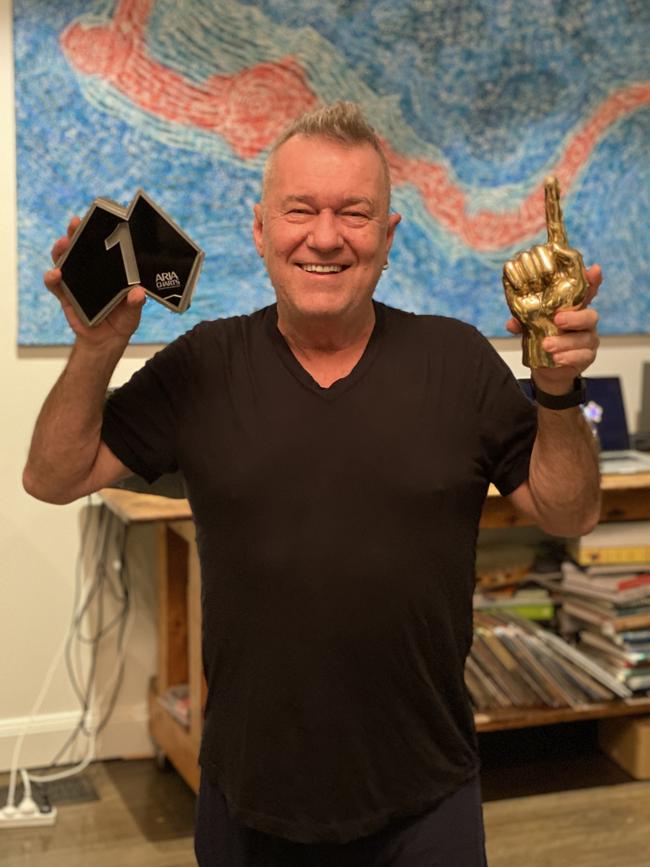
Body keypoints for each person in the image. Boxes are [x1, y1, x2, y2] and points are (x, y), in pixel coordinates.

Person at [24, 101, 601, 866]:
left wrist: (555, 390)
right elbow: (54, 476)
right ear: (262, 230)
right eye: (301, 210)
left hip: (427, 799)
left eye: (354, 213)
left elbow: (569, 512)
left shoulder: (456, 362)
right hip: (248, 802)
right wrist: (97, 348)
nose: (325, 236)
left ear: (388, 238)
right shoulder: (203, 364)